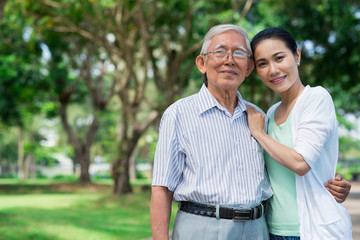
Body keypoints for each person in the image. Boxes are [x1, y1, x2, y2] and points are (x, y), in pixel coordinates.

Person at [150, 24, 351, 240]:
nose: (229, 60)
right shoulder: (179, 114)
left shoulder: (258, 117)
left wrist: (331, 182)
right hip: (203, 227)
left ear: (248, 68)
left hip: (260, 229)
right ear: (202, 63)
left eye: (238, 53)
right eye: (220, 52)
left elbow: (294, 162)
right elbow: (162, 188)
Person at [246, 27, 352, 239]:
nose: (273, 70)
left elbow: (301, 163)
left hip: (313, 230)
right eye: (262, 64)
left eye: (279, 58)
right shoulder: (271, 113)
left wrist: (260, 134)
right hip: (272, 230)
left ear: (297, 55)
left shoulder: (316, 98)